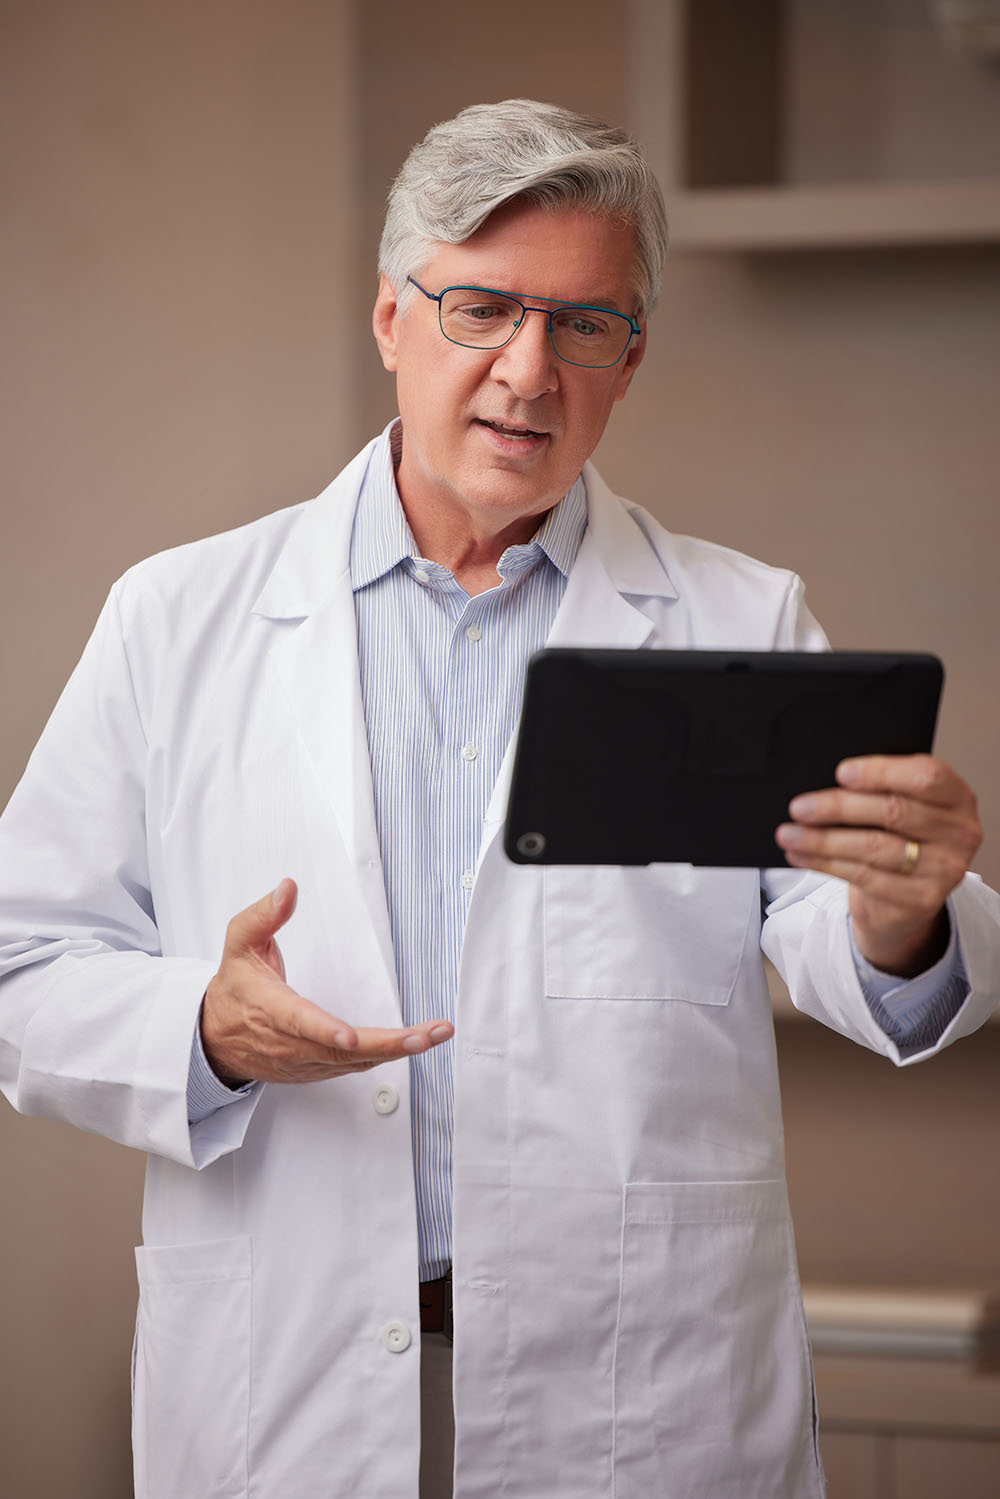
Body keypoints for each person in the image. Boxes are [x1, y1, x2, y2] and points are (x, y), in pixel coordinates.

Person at [0, 99, 996, 1499]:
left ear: (631, 358)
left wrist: (904, 918)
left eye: (584, 325)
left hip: (639, 1389)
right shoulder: (181, 618)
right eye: (482, 310)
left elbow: (841, 938)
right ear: (393, 321)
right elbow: (22, 961)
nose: (530, 372)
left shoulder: (737, 619)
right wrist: (203, 1029)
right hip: (292, 1377)